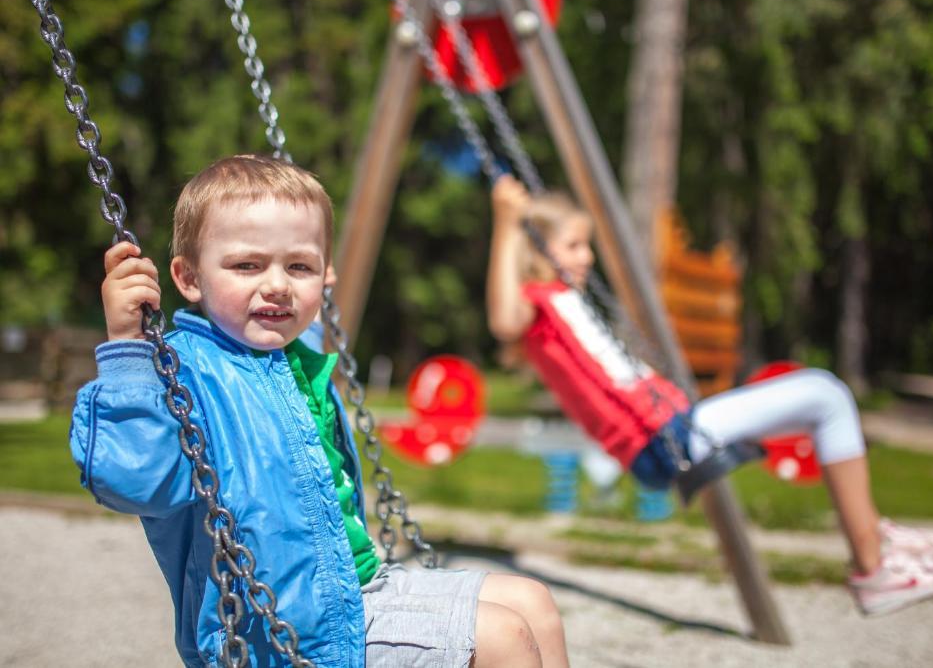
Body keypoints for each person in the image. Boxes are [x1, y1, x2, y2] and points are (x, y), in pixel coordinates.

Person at [70, 155, 568, 668]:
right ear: (189, 278)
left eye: (299, 266)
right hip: (291, 628)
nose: (278, 284)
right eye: (247, 265)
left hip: (358, 586)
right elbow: (135, 483)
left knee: (535, 603)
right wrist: (128, 351)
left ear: (325, 275)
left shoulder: (293, 356)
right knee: (504, 638)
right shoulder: (183, 374)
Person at [487, 175, 933, 618]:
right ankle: (875, 562)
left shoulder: (566, 301)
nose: (586, 257)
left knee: (828, 403)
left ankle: (877, 544)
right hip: (663, 440)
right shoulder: (535, 304)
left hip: (672, 429)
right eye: (574, 245)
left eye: (585, 245)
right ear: (538, 251)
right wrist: (507, 226)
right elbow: (502, 320)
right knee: (827, 396)